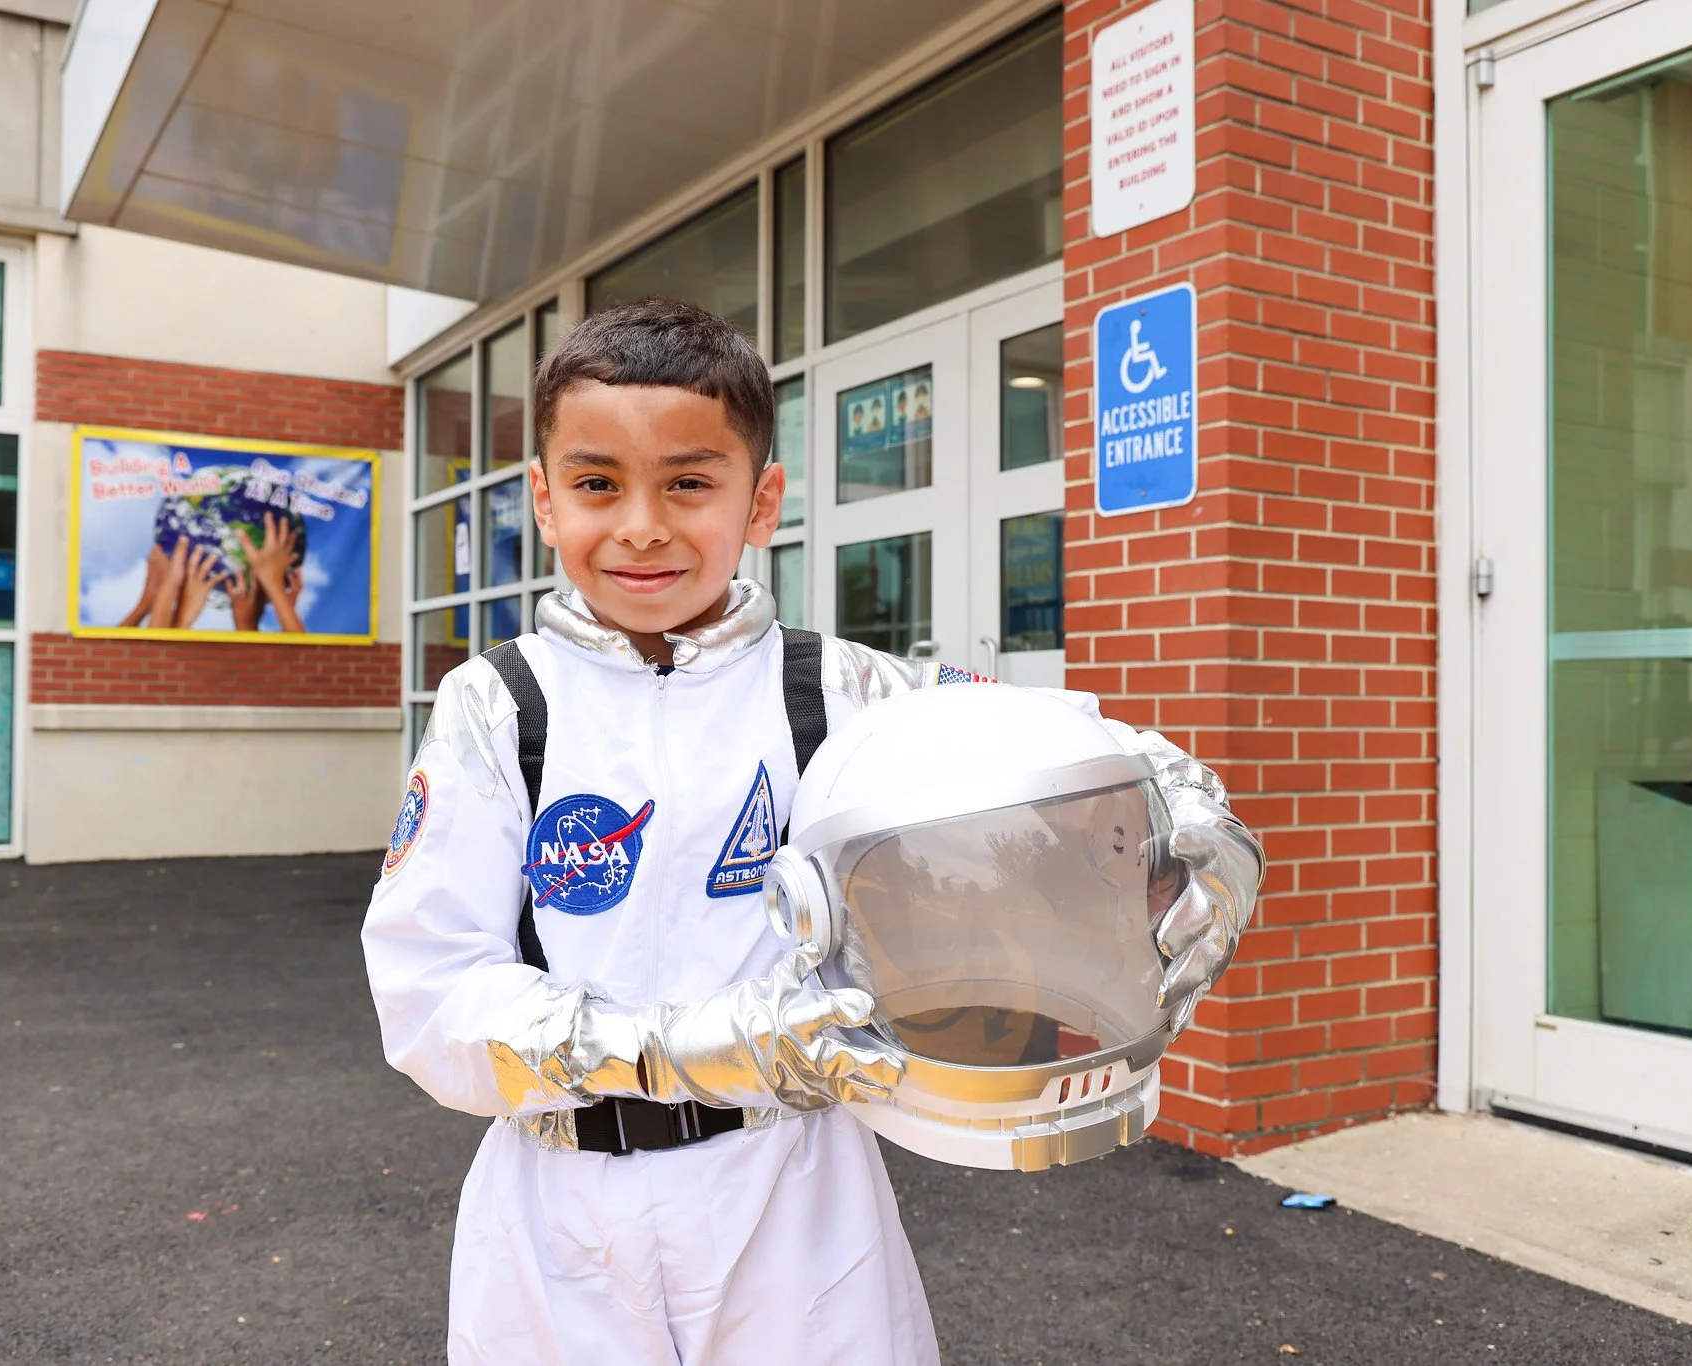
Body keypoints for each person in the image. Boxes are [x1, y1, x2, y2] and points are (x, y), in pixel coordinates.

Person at [361, 298, 1262, 1365]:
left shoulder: (838, 687)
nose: (642, 525)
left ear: (761, 502)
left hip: (794, 1196)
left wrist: (1183, 811)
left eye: (688, 483)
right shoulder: (499, 705)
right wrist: (674, 1051)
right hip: (556, 1213)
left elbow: (1053, 740)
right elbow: (428, 989)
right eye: (598, 483)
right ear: (545, 501)